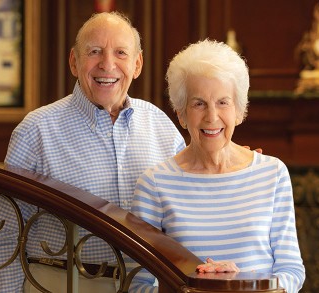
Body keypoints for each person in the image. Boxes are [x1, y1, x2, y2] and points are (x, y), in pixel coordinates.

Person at [0, 11, 186, 292]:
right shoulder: (36, 130)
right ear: (74, 62)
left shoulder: (161, 126)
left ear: (137, 64)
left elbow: (186, 214)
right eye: (95, 51)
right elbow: (1, 236)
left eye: (121, 53)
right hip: (61, 284)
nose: (107, 64)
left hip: (147, 286)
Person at [128, 39, 305, 293]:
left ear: (239, 112)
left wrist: (243, 284)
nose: (212, 117)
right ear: (181, 113)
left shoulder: (273, 173)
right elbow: (138, 285)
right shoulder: (154, 183)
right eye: (199, 103)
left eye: (223, 102)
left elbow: (292, 272)